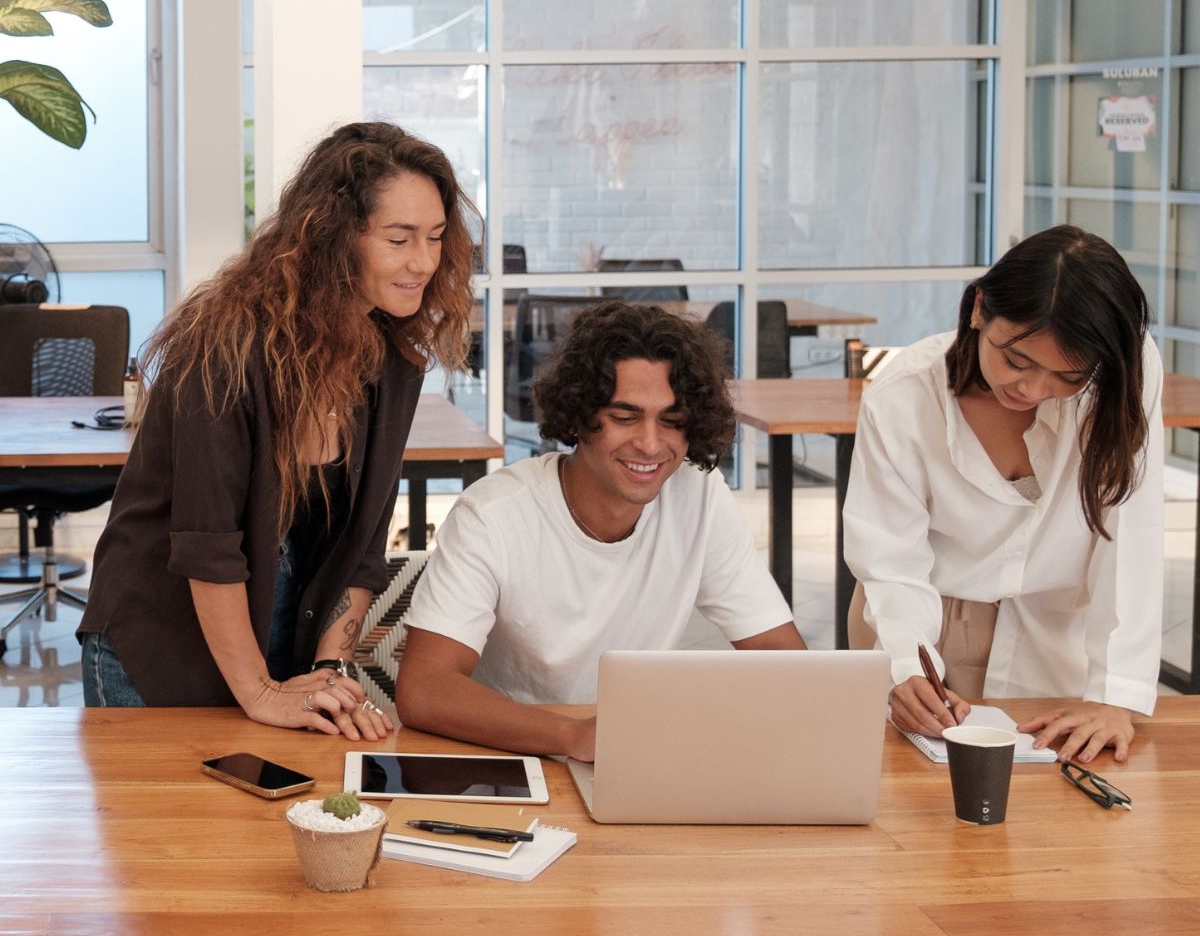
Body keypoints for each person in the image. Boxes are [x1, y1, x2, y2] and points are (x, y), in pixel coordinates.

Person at [78, 121, 477, 739]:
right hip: (162, 648)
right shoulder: (226, 346)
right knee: (173, 837)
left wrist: (331, 668)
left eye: (435, 237)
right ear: (334, 238)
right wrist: (258, 691)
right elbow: (207, 546)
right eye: (399, 239)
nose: (423, 262)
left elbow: (363, 551)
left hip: (283, 642)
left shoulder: (392, 362)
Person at [394, 300, 806, 761]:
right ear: (578, 416)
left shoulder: (700, 496)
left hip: (634, 753)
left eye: (671, 421)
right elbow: (425, 690)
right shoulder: (492, 516)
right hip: (513, 757)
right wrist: (573, 737)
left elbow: (780, 655)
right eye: (624, 417)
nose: (650, 444)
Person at [843, 225, 1163, 765]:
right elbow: (891, 564)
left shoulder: (1121, 371)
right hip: (929, 625)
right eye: (1016, 361)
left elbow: (1129, 535)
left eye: (1066, 377)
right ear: (979, 310)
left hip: (1058, 633)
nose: (1032, 390)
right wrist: (906, 669)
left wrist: (1114, 697)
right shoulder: (903, 398)